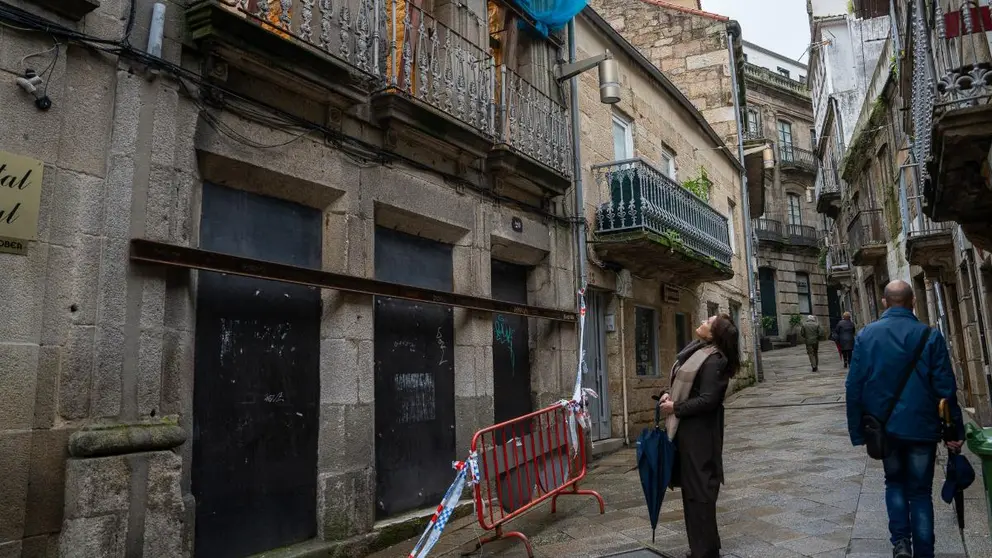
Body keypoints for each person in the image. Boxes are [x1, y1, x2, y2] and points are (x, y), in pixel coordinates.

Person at [845, 280, 964, 558]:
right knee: (920, 492)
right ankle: (924, 552)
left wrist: (858, 432)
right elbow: (946, 388)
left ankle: (901, 543)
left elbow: (854, 387)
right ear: (913, 302)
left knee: (894, 482)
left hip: (884, 429)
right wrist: (955, 432)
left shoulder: (866, 336)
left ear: (884, 302)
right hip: (922, 427)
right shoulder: (930, 336)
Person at [658, 314, 739, 558]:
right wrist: (667, 395)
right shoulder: (699, 351)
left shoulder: (715, 360)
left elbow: (709, 400)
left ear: (714, 334)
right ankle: (702, 548)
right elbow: (687, 387)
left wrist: (675, 407)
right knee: (693, 491)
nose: (703, 321)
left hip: (700, 435)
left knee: (700, 492)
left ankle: (705, 552)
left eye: (709, 322)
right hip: (689, 431)